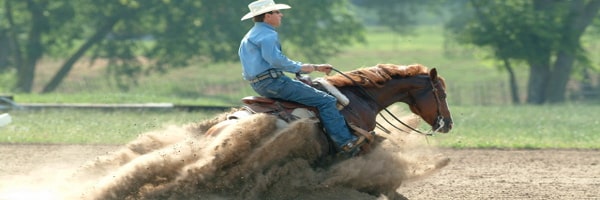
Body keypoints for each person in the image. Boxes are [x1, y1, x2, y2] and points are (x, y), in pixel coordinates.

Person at [238, 0, 364, 155]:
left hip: (260, 84)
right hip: (275, 83)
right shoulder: (268, 35)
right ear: (267, 15)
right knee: (326, 101)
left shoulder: (249, 36)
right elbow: (276, 61)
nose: (281, 15)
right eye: (277, 12)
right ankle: (345, 143)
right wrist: (304, 67)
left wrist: (313, 67)